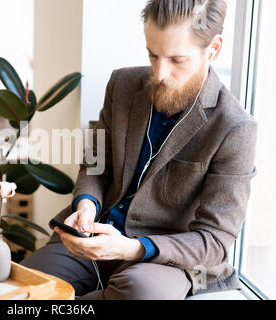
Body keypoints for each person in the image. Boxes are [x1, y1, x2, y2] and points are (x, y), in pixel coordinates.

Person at [21, 0, 258, 300]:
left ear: (213, 49)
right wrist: (86, 206)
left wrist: (132, 248)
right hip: (94, 235)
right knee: (26, 288)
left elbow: (215, 240)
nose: (159, 73)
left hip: (164, 259)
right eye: (153, 55)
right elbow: (96, 165)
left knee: (141, 294)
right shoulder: (121, 84)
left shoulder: (235, 127)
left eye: (176, 60)